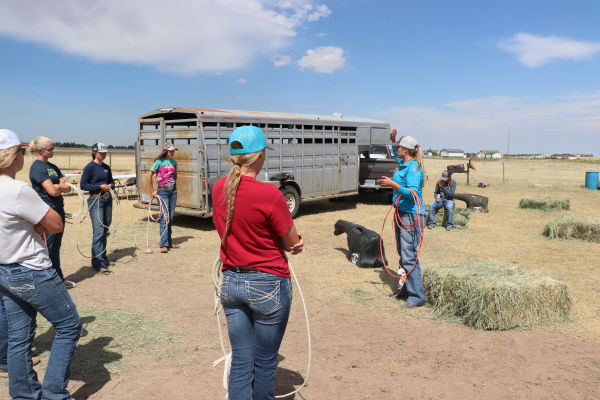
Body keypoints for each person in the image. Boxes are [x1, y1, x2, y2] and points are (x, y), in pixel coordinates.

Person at [212, 125, 304, 400]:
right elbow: (290, 242)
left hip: (231, 283)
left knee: (242, 360)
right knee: (264, 363)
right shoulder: (270, 195)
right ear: (261, 155)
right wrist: (297, 243)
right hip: (268, 283)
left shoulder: (219, 187)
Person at [0, 128, 82, 399]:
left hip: (4, 271)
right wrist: (36, 223)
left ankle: (23, 394)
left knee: (18, 336)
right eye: (21, 151)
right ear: (13, 156)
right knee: (69, 325)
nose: (24, 155)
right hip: (31, 269)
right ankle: (54, 393)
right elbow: (55, 225)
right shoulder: (17, 190)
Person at [378, 130, 427, 308]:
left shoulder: (414, 169)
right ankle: (406, 289)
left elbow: (413, 194)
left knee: (409, 256)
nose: (397, 148)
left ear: (405, 150)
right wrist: (392, 141)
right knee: (403, 254)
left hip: (412, 215)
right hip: (402, 213)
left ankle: (417, 296)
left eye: (399, 146)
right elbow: (394, 154)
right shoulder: (404, 164)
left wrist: (394, 185)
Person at [28, 136, 77, 288]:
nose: (53, 150)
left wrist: (58, 187)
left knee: (55, 246)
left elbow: (67, 187)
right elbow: (53, 191)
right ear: (41, 150)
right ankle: (47, 282)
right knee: (47, 247)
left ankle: (58, 279)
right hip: (46, 212)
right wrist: (58, 187)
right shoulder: (37, 167)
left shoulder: (52, 167)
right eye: (50, 149)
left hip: (58, 210)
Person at [80, 142, 114, 273]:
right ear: (95, 152)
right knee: (99, 231)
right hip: (96, 200)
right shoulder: (89, 167)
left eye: (105, 152)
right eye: (101, 152)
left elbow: (112, 181)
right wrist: (99, 187)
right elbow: (83, 185)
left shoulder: (107, 167)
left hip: (107, 199)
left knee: (105, 229)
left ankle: (103, 258)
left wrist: (110, 186)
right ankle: (98, 263)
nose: (104, 154)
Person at [146, 143, 178, 253]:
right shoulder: (158, 162)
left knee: (171, 216)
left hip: (173, 190)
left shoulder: (174, 162)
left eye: (173, 150)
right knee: (165, 216)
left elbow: (175, 175)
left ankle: (168, 241)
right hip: (162, 191)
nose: (172, 152)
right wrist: (152, 191)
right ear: (165, 151)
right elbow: (149, 175)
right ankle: (163, 244)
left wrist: (173, 185)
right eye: (170, 151)